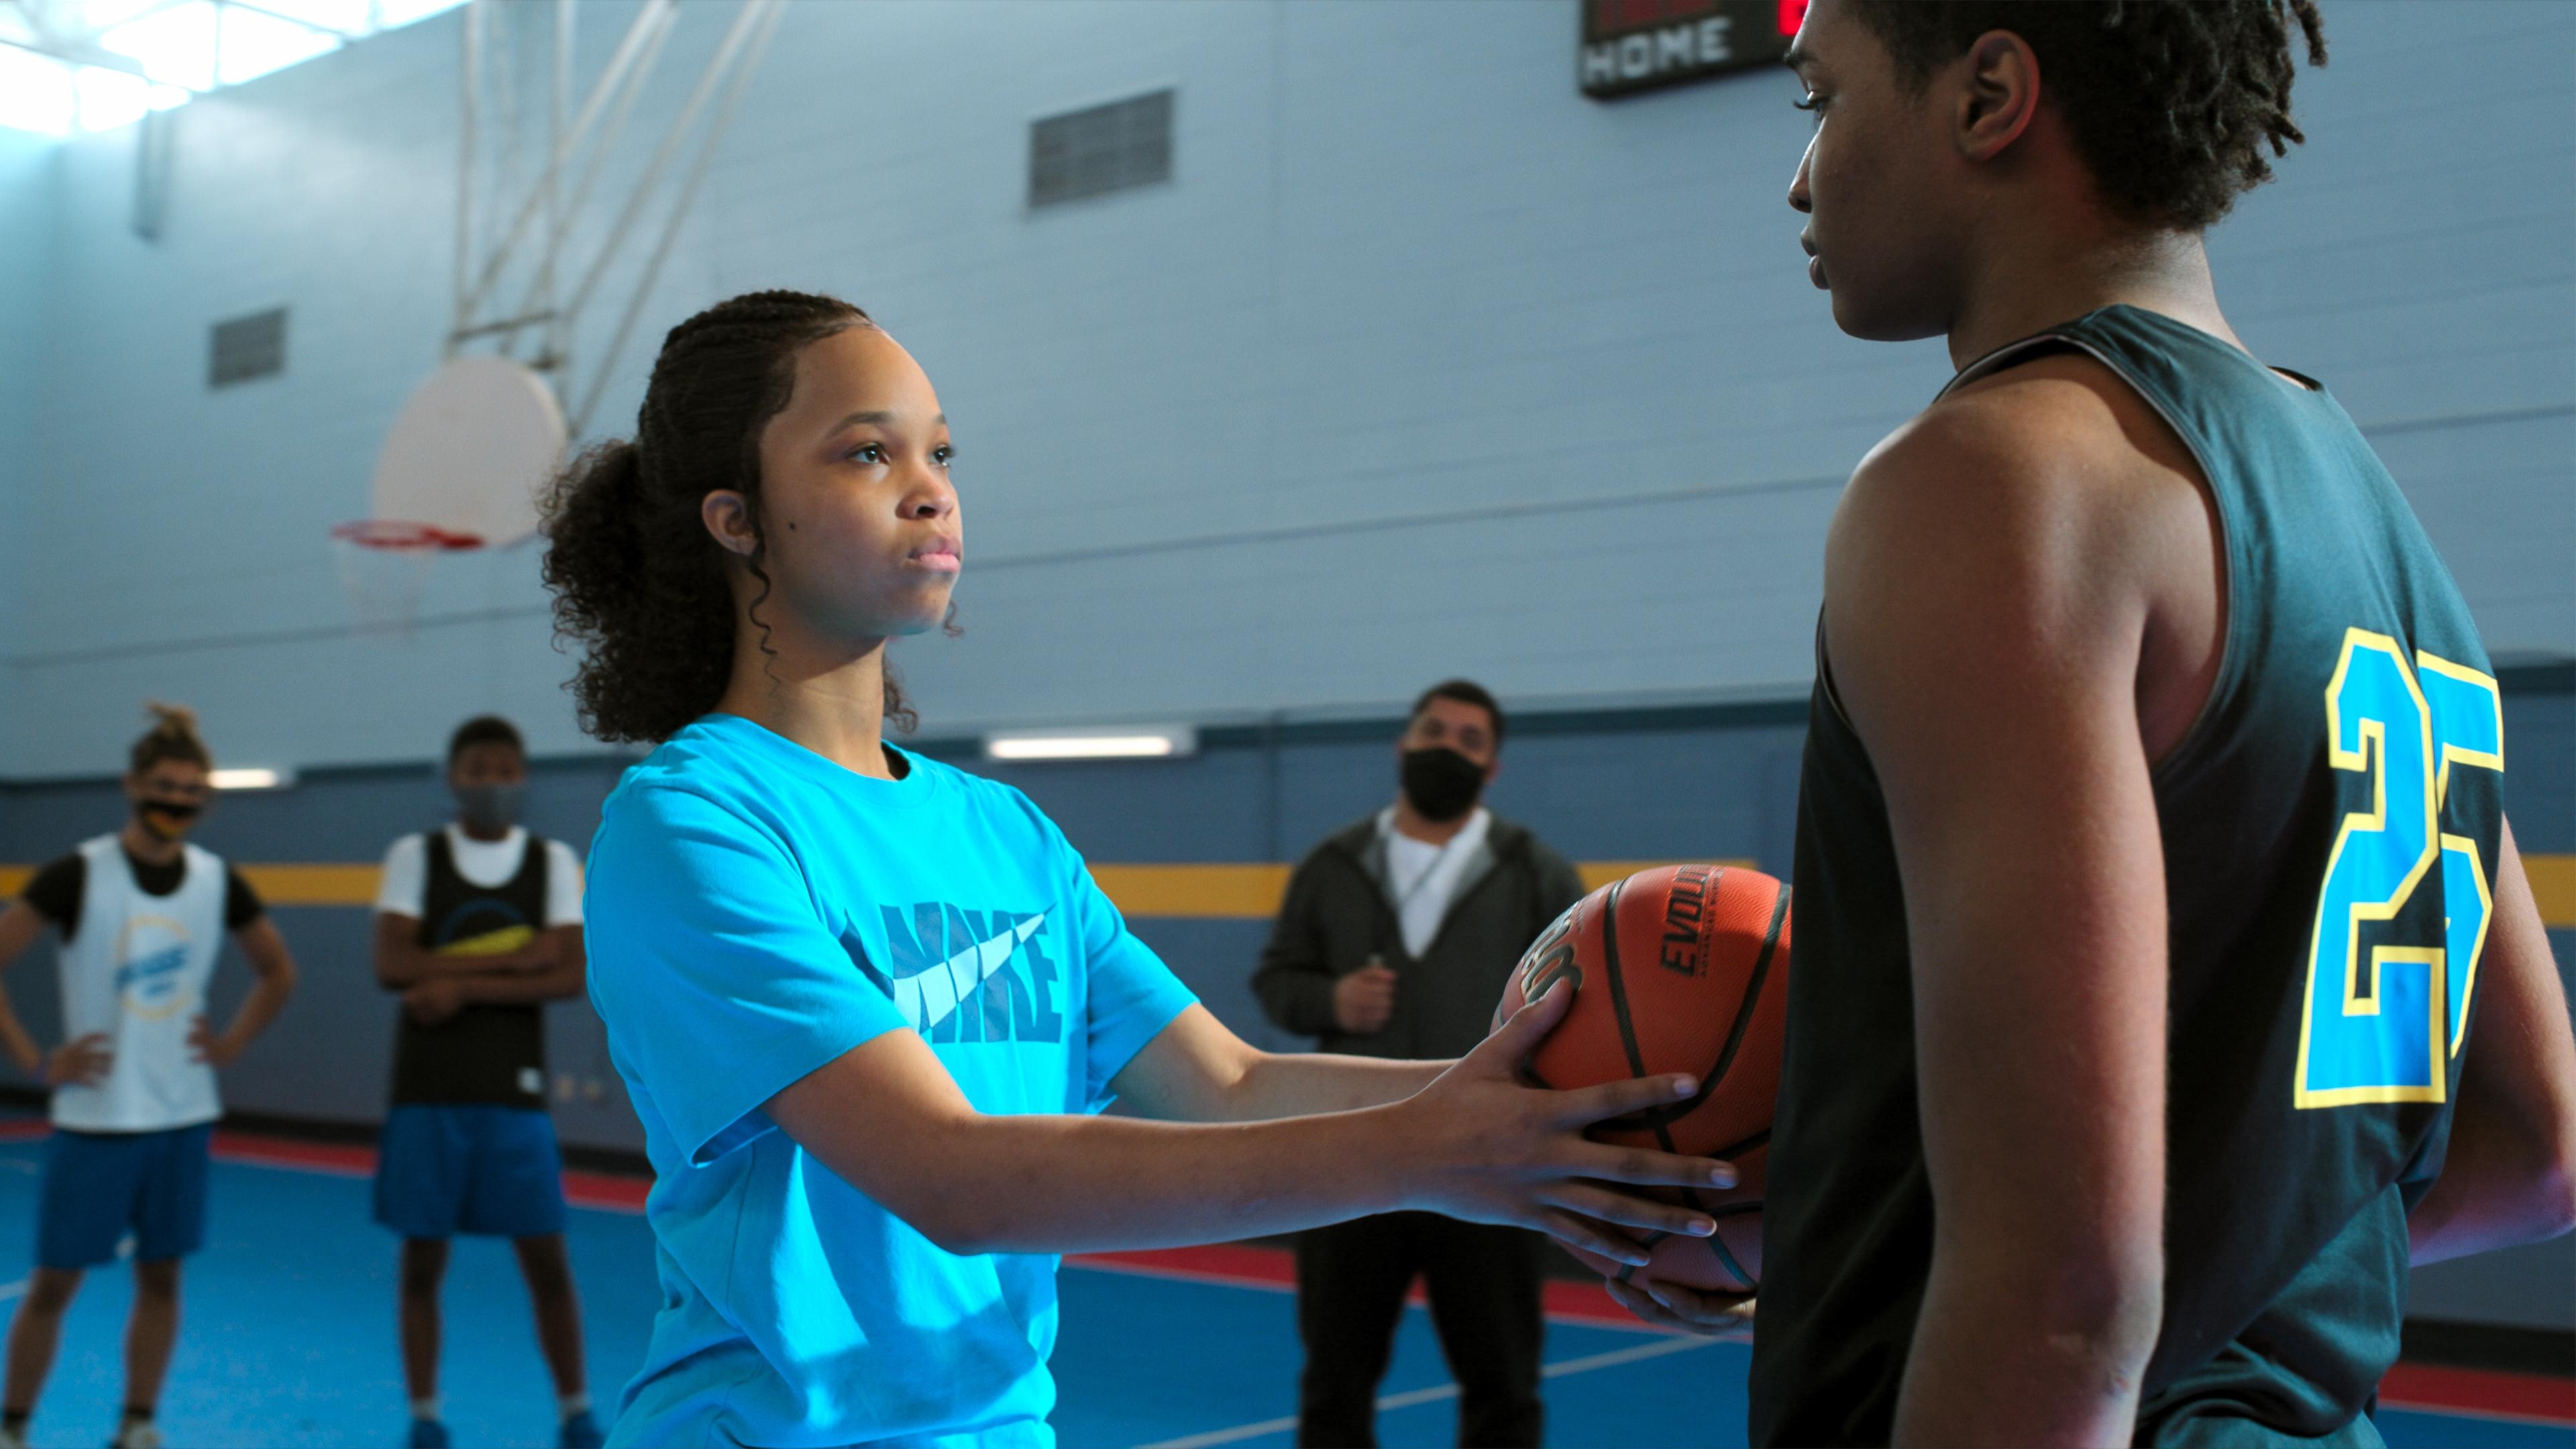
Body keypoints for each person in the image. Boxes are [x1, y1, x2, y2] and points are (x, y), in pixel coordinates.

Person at [1608, 3, 2576, 1445]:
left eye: (1821, 100)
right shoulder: (2373, 516)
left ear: (1990, 93)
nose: (1801, 179)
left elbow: (2063, 1301)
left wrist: (2028, 1318)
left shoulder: (1997, 479)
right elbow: (2540, 1151)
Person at [538, 289, 1737, 1448]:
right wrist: (1437, 1153)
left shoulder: (1004, 831)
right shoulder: (695, 824)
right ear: (736, 517)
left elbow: (1229, 1084)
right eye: (867, 453)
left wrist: (1574, 1121)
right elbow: (955, 1179)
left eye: (941, 453)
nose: (931, 490)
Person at [1252, 679, 1585, 1449]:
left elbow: (1585, 1003)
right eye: (1433, 732)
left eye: (1469, 741)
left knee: (1503, 1384)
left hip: (1491, 1161)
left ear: (1492, 767)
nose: (1446, 749)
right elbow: (1277, 979)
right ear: (1404, 745)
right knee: (1336, 1382)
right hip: (1347, 1157)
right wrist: (1331, 1000)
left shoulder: (1536, 873)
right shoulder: (1334, 864)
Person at [0, 704, 299, 1449]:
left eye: (190, 790)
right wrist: (35, 1057)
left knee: (163, 1278)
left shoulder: (215, 880)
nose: (176, 800)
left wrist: (229, 1043)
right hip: (96, 1119)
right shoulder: (80, 872)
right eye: (164, 786)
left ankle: (138, 1423)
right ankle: (13, 1426)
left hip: (181, 1116)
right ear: (132, 785)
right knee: (55, 1283)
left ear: (206, 799)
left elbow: (277, 971)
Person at [370, 714, 600, 1449]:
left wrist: (457, 986)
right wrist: (515, 956)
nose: (493, 782)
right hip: (426, 1091)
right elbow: (392, 965)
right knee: (421, 1263)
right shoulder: (416, 856)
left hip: (514, 1093)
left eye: (506, 769)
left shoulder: (551, 861)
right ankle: (425, 1416)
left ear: (523, 778)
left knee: (547, 1261)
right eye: (479, 769)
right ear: (453, 778)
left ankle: (576, 1412)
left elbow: (567, 975)